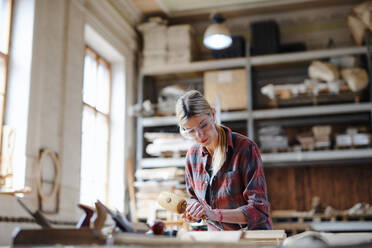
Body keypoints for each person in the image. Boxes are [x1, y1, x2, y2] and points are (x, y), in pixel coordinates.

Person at [175, 90, 272, 231]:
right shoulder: (192, 156)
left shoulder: (245, 149)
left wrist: (213, 214)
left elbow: (259, 210)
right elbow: (194, 197)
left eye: (203, 125)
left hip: (252, 238)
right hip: (218, 239)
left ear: (213, 115)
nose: (199, 135)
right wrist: (193, 210)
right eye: (191, 131)